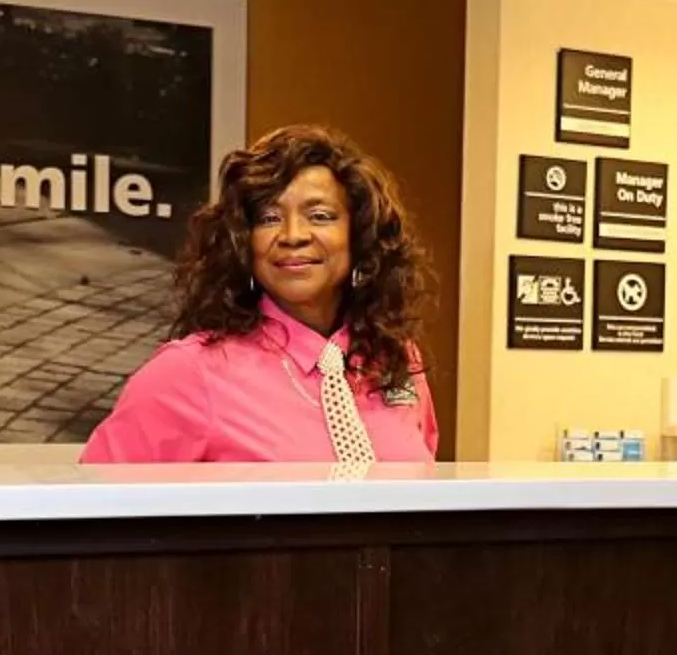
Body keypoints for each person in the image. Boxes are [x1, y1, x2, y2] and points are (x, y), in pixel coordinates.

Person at [81, 125, 439, 464]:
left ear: (358, 235)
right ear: (243, 242)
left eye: (319, 215)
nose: (293, 234)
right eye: (269, 218)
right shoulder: (188, 373)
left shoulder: (398, 359)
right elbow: (92, 508)